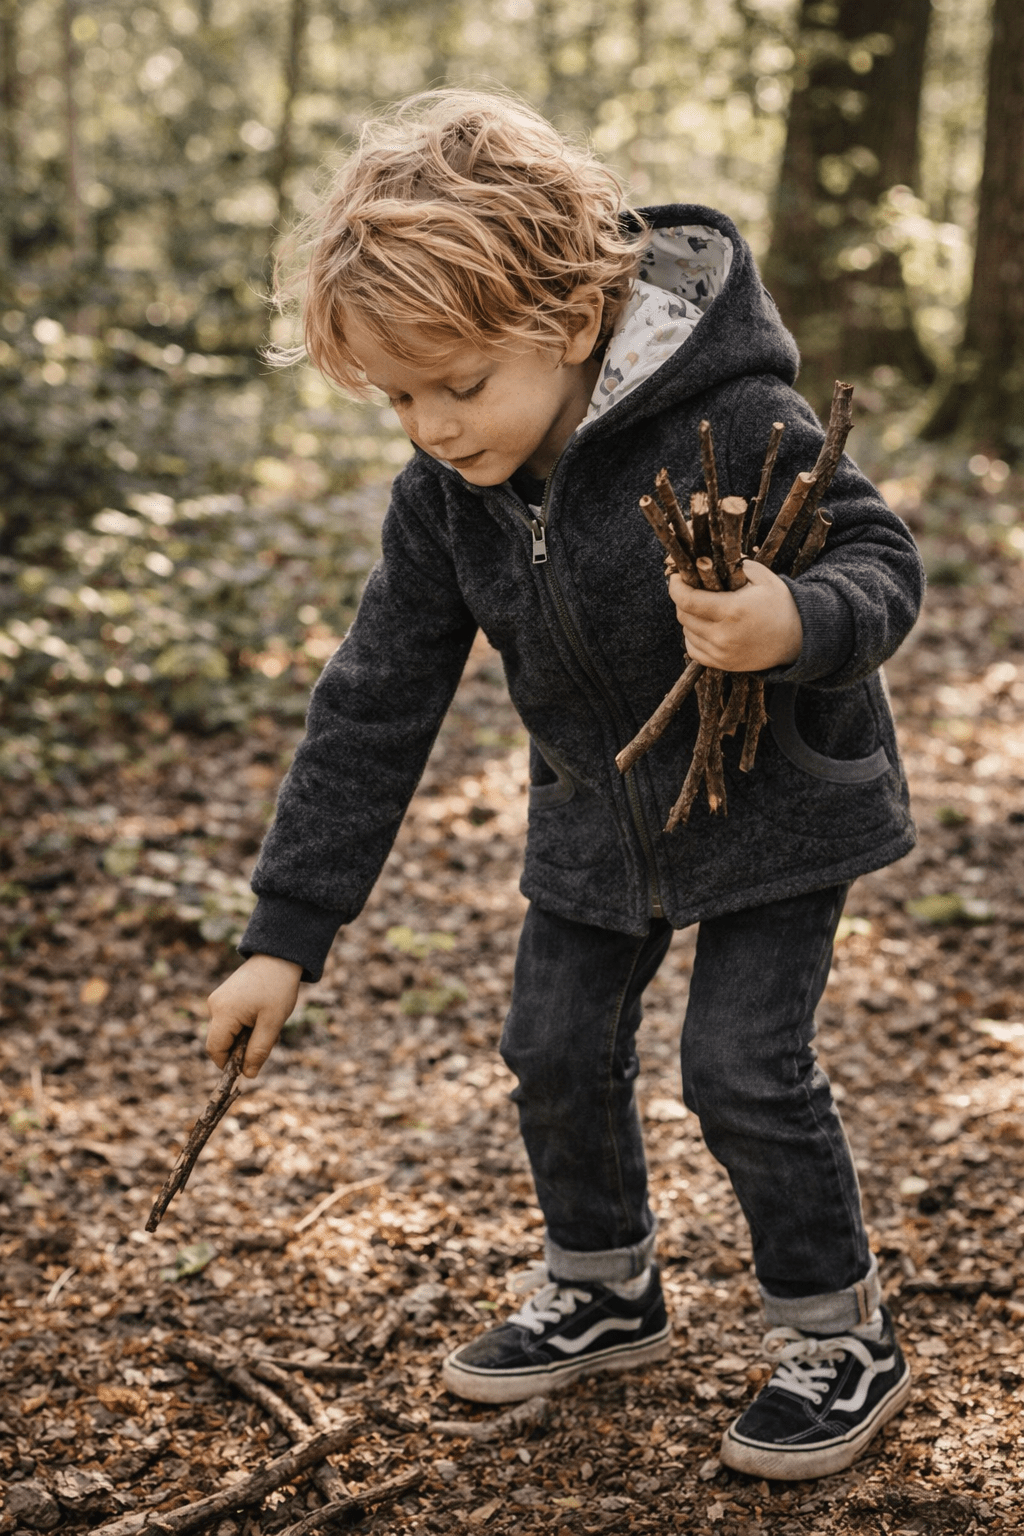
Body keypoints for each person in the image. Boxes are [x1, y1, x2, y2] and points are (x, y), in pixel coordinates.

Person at [205, 88, 924, 1481]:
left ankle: (840, 1336)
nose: (429, 425)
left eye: (458, 386)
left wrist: (791, 622)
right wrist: (286, 935)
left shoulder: (740, 418)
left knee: (741, 1070)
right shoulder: (447, 501)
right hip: (602, 816)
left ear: (570, 312)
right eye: (399, 396)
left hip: (777, 799)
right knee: (550, 1045)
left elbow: (881, 569)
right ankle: (604, 1287)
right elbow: (375, 700)